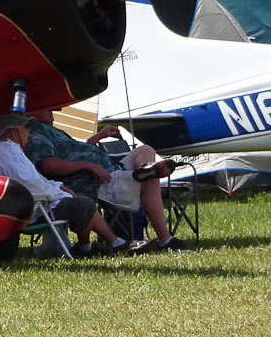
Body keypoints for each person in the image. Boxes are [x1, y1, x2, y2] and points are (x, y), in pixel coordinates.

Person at [23, 108, 189, 252]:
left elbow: (78, 149)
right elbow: (49, 165)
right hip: (101, 180)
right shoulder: (37, 132)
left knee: (145, 149)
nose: (53, 111)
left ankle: (144, 169)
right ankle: (166, 240)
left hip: (112, 168)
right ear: (30, 112)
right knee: (151, 178)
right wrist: (88, 165)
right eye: (47, 109)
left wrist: (99, 136)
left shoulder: (51, 131)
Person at [0, 113, 134, 256]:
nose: (28, 130)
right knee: (84, 204)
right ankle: (94, 246)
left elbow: (35, 180)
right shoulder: (6, 155)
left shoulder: (10, 151)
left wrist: (58, 186)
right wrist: (58, 192)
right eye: (25, 127)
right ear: (13, 130)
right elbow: (31, 186)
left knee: (80, 201)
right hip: (35, 209)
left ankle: (99, 245)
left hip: (38, 203)